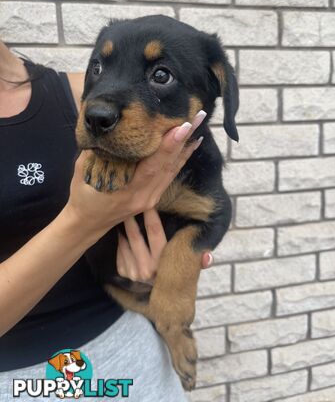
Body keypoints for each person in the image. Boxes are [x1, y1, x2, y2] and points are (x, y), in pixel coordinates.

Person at [0, 39, 213, 401]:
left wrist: (163, 271)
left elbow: (198, 188)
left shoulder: (81, 91)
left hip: (136, 360)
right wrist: (84, 222)